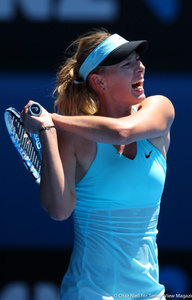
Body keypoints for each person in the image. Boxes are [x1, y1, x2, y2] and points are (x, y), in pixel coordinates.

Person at [21, 29, 175, 299]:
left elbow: (122, 132)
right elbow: (59, 211)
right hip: (88, 294)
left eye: (138, 60)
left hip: (151, 295)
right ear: (99, 81)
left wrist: (52, 120)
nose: (140, 67)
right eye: (127, 64)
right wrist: (47, 132)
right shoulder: (72, 139)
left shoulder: (160, 109)